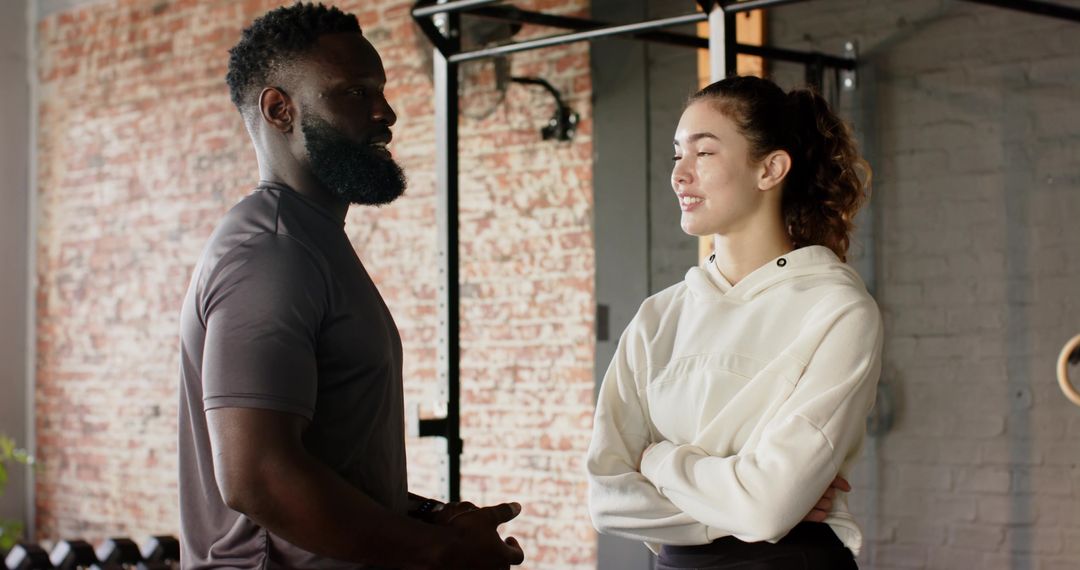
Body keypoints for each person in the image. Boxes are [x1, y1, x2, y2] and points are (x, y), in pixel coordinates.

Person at [177, 4, 525, 569]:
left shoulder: (310, 241)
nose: (386, 113)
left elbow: (330, 460)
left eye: (381, 92)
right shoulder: (270, 252)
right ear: (278, 109)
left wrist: (425, 517)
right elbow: (255, 476)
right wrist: (440, 553)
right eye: (355, 94)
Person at [586, 75, 883, 569]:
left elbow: (767, 510)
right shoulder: (658, 317)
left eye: (703, 154)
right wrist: (741, 502)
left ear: (770, 168)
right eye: (676, 154)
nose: (680, 174)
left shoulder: (837, 309)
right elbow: (607, 500)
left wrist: (656, 461)